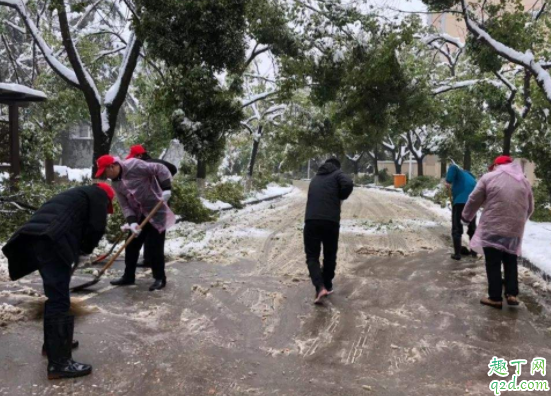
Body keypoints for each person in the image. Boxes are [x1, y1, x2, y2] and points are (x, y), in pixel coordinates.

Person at [2, 183, 115, 380]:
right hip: (51, 241)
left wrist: (77, 250)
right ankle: (59, 363)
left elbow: (73, 223)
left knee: (55, 296)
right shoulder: (99, 194)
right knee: (59, 300)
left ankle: (53, 345)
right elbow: (96, 226)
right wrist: (86, 251)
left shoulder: (74, 195)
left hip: (33, 240)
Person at [462, 156, 534, 309]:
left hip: (493, 227)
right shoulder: (524, 181)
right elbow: (530, 207)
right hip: (515, 229)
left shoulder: (489, 177)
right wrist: (518, 221)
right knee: (510, 259)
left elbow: (474, 198)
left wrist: (465, 217)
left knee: (493, 262)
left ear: (496, 165)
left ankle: (495, 297)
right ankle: (512, 293)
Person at [95, 155, 175, 291]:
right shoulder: (116, 183)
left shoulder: (134, 165)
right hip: (138, 215)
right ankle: (128, 276)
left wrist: (166, 187)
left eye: (105, 172)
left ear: (112, 166)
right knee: (131, 245)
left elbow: (160, 168)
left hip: (156, 210)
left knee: (155, 246)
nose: (105, 176)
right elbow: (125, 205)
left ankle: (160, 278)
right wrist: (132, 222)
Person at [304, 158, 354, 304]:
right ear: (336, 167)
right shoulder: (337, 174)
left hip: (312, 220)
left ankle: (320, 287)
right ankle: (327, 284)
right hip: (331, 221)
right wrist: (342, 195)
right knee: (329, 254)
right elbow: (349, 183)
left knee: (312, 256)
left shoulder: (315, 178)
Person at [126, 144, 177, 268]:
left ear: (140, 155)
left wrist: (162, 184)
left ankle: (152, 264)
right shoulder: (156, 162)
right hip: (158, 202)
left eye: (134, 158)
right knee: (155, 234)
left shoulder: (146, 165)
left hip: (158, 203)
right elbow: (173, 168)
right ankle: (149, 260)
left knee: (153, 234)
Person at [445, 163, 478, 260]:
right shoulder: (472, 178)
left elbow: (453, 167)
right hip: (472, 204)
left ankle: (457, 254)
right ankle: (474, 252)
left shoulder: (460, 172)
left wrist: (448, 181)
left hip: (460, 203)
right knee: (472, 228)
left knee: (457, 228)